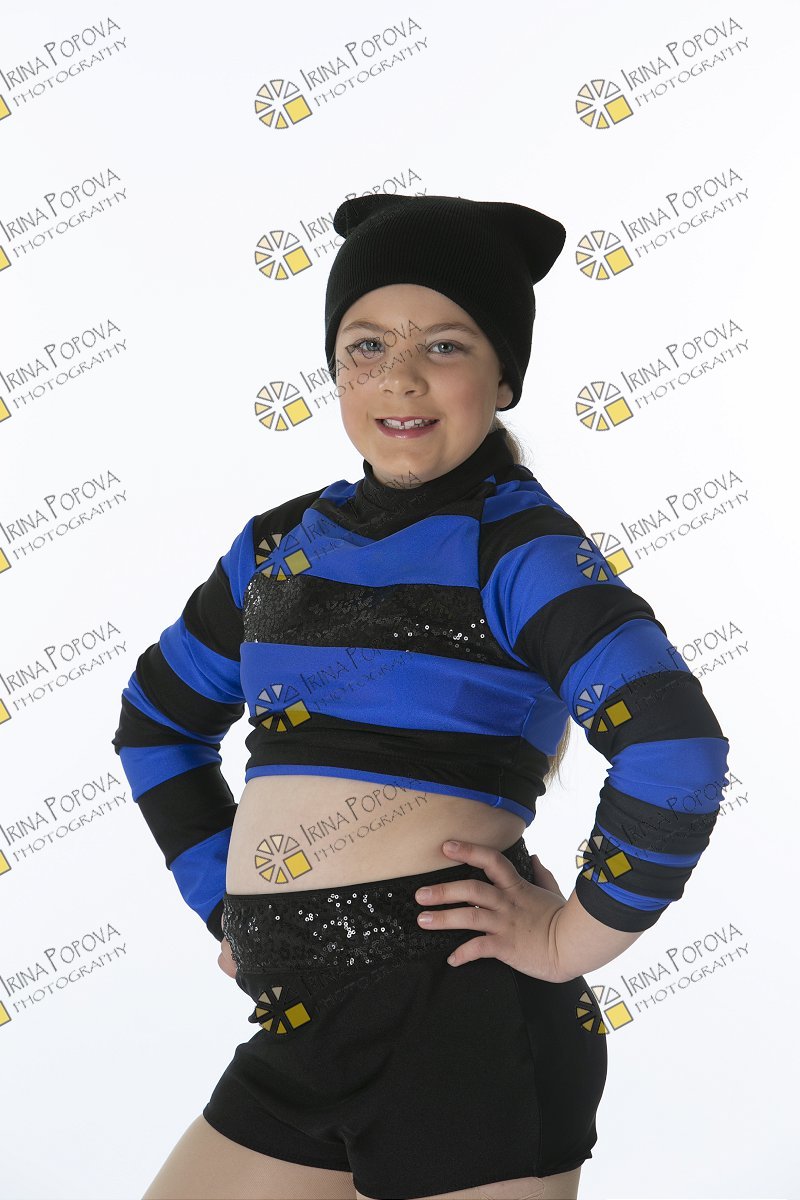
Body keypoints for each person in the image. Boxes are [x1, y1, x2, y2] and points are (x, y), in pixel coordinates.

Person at [113, 194, 730, 1200]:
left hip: (465, 1033)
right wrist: (229, 906)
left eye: (444, 345)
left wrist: (571, 935)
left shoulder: (520, 551)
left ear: (503, 377)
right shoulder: (275, 548)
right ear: (335, 369)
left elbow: (675, 750)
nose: (399, 377)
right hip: (300, 1027)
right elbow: (157, 725)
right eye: (366, 345)